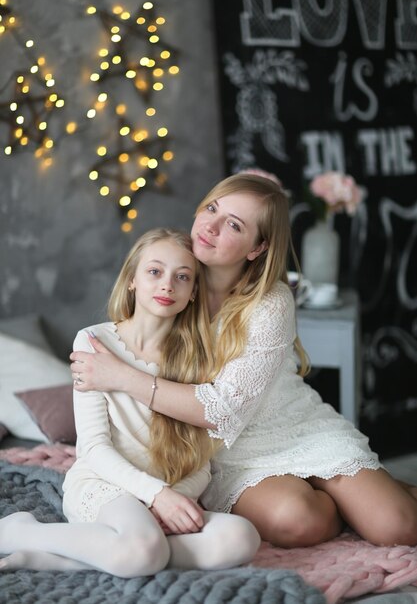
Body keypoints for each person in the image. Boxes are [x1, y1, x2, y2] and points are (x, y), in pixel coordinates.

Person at [69, 174, 417, 549]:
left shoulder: (270, 302)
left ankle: (371, 495)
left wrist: (120, 377)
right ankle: (346, 502)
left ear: (257, 247)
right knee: (298, 520)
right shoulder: (176, 282)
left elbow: (222, 410)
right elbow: (127, 331)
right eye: (212, 208)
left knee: (398, 528)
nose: (211, 227)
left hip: (293, 425)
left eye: (234, 225)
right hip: (225, 453)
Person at [0, 228, 260, 576]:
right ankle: (18, 532)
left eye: (182, 277)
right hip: (105, 483)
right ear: (133, 279)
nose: (167, 285)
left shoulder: (201, 360)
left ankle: (59, 555)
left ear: (194, 291)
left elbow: (202, 459)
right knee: (143, 549)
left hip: (165, 489)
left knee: (240, 538)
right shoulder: (94, 340)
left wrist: (171, 499)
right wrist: (154, 496)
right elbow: (92, 447)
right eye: (154, 271)